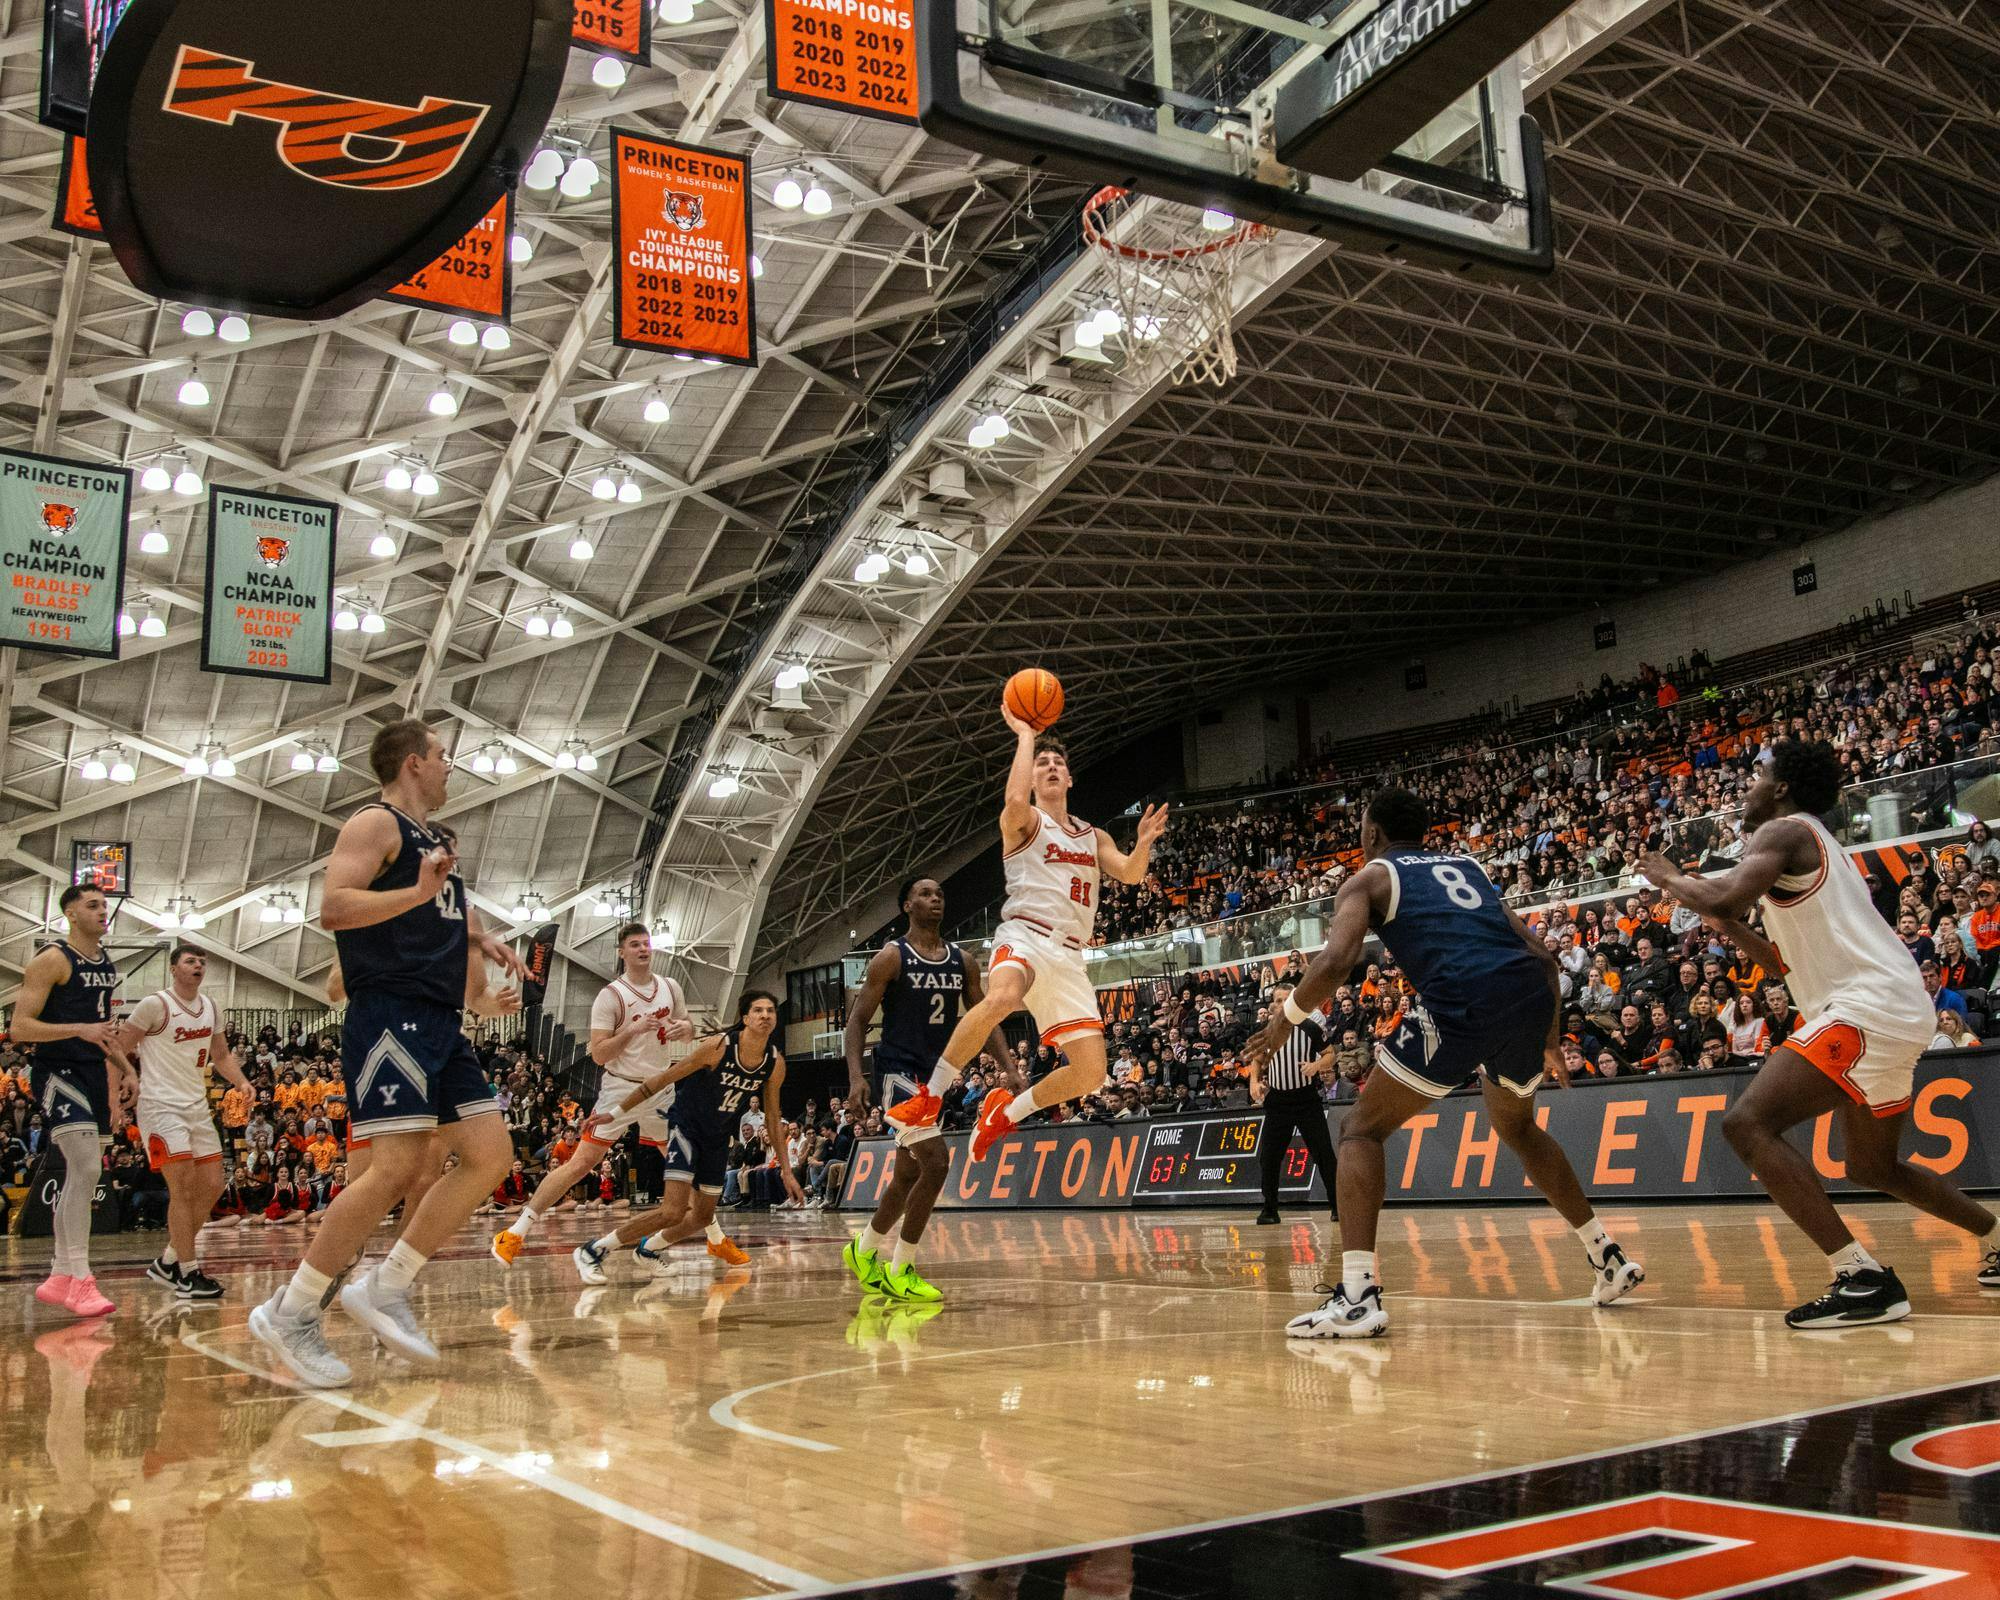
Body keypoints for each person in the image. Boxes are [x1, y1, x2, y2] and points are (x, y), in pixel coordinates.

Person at [1246, 788, 1644, 1340]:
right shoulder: (1469, 867)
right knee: (1519, 1128)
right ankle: (1607, 1257)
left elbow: (1337, 959)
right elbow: (1544, 956)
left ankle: (1357, 1296)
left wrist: (1284, 1020)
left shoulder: (1369, 879)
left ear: (1372, 834)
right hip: (1529, 997)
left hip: (1463, 1000)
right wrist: (1551, 1040)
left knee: (1360, 1130)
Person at [1638, 739, 2000, 1326]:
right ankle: (1996, 1237)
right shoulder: (1808, 845)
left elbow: (1726, 891)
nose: (1746, 788)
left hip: (1867, 1007)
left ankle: (1861, 1277)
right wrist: (1725, 923)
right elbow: (1782, 963)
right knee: (1872, 1169)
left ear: (1780, 788)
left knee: (1746, 1123)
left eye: (1756, 776)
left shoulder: (1784, 831)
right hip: (1890, 1007)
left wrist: (1670, 877)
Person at [249, 719, 525, 1388]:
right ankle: (292, 1310)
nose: (449, 767)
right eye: (442, 756)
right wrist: (420, 894)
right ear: (412, 764)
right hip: (389, 1016)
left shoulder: (432, 841)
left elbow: (430, 916)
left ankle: (387, 1284)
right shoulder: (374, 826)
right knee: (394, 1168)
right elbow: (335, 908)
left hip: (438, 1020)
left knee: (492, 1156)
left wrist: (478, 939)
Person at [886, 704, 1167, 1159]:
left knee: (1092, 1072)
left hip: (1071, 955)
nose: (1052, 767)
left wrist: (1145, 844)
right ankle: (931, 1097)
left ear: (1070, 780)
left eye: (1059, 763)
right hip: (1025, 935)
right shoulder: (1025, 822)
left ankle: (1006, 1113)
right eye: (1043, 764)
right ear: (1033, 779)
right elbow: (1014, 801)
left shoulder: (1093, 836)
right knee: (1002, 998)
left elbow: (1131, 875)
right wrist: (1025, 736)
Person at [488, 921, 729, 1269]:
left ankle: (716, 1240)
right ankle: (515, 1233)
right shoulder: (611, 996)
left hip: (660, 1087)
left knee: (683, 1166)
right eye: (635, 945)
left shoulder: (670, 986)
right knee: (582, 1163)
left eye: (646, 943)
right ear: (622, 952)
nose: (643, 949)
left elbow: (687, 1026)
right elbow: (599, 1054)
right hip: (621, 1087)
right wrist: (631, 1029)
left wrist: (684, 1028)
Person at [841, 875, 1015, 1302]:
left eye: (939, 894)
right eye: (924, 894)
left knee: (908, 1174)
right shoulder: (891, 957)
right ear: (907, 906)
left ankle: (863, 1251)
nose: (934, 899)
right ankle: (901, 1267)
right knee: (936, 1164)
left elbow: (983, 1017)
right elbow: (857, 1021)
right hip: (898, 1076)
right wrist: (856, 1077)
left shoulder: (963, 961)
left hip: (935, 1076)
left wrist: (1009, 1065)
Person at [572, 991, 801, 1282]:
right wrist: (614, 1114)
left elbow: (772, 1117)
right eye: (758, 1010)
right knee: (672, 1211)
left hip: (717, 1138)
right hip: (687, 1127)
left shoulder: (774, 1062)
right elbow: (662, 1080)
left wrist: (786, 1171)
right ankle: (594, 1249)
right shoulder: (718, 1047)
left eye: (770, 1010)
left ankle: (648, 1249)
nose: (765, 1015)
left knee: (703, 1216)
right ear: (745, 1018)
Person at [15, 885, 132, 1319]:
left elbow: (101, 1032)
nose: (103, 911)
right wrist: (79, 1029)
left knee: (83, 1176)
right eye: (93, 905)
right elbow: (21, 1028)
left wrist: (127, 1069)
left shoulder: (106, 964)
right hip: (57, 1070)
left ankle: (60, 1274)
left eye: (104, 905)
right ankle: (80, 1277)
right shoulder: (52, 960)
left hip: (91, 1071)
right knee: (86, 1168)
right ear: (70, 914)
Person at [113, 944, 251, 1299]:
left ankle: (169, 1260)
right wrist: (115, 1098)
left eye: (202, 962)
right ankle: (188, 1273)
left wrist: (241, 1082)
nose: (198, 966)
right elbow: (116, 1049)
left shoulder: (211, 1007)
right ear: (174, 968)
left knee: (214, 1184)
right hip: (160, 1107)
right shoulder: (155, 1005)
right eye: (190, 961)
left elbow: (220, 1055)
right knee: (183, 1187)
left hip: (195, 1106)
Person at [1247, 982, 1339, 1227]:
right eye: (1277, 1000)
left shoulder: (1310, 1028)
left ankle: (1337, 1206)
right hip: (1277, 1102)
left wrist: (1316, 1066)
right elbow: (1256, 1061)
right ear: (1272, 1004)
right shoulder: (1266, 1032)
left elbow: (1331, 1054)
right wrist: (1254, 1082)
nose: (1281, 1004)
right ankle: (1270, 1209)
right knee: (1269, 1157)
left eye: (1286, 1000)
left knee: (1324, 1155)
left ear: (1295, 1002)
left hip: (1306, 1100)